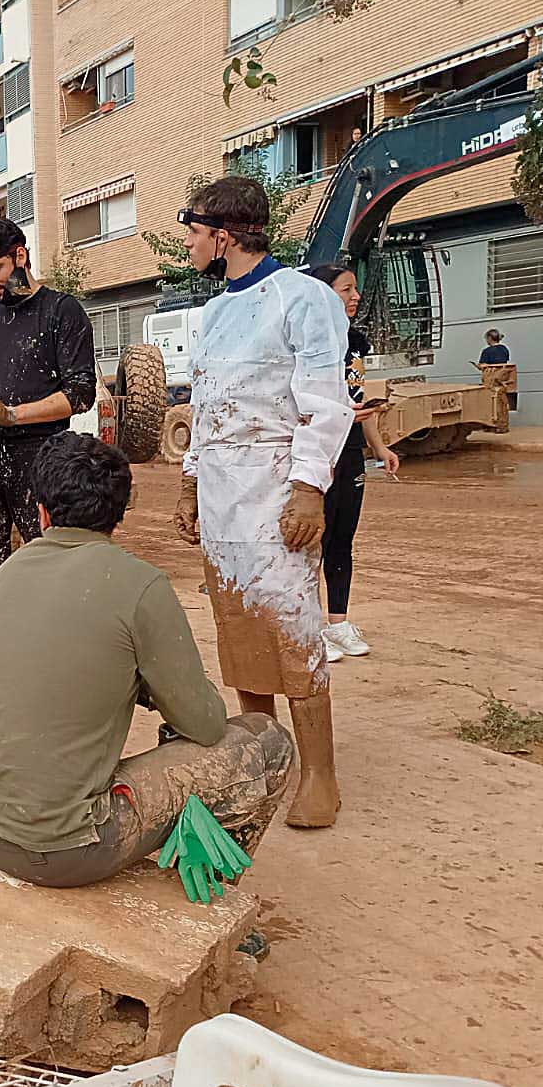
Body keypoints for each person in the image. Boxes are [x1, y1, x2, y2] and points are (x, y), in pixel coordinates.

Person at [0, 433, 294, 887]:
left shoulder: (9, 571)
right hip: (59, 849)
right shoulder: (140, 585)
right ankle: (212, 900)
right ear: (119, 514)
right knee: (265, 740)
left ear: (42, 510)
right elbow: (204, 726)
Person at [172, 176, 353, 830]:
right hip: (222, 496)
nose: (188, 244)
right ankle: (263, 764)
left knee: (293, 628)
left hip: (278, 490)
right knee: (240, 630)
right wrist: (190, 482)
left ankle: (321, 777)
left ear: (223, 234)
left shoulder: (304, 299)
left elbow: (326, 400)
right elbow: (207, 404)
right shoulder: (213, 313)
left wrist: (310, 486)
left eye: (193, 232)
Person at [0, 218, 97, 629]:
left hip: (40, 457)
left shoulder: (62, 312)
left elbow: (80, 394)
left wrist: (12, 414)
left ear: (20, 256)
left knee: (50, 563)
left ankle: (54, 650)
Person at [307, 264, 400, 663]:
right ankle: (310, 629)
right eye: (346, 289)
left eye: (355, 289)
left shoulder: (356, 341)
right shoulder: (309, 345)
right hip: (315, 452)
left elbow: (358, 401)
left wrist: (379, 448)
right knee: (314, 543)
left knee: (343, 539)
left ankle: (338, 624)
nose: (356, 296)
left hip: (349, 450)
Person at [477, 328, 517, 409]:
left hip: (491, 381)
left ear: (489, 338)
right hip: (504, 379)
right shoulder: (505, 349)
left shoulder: (487, 351)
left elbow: (482, 366)